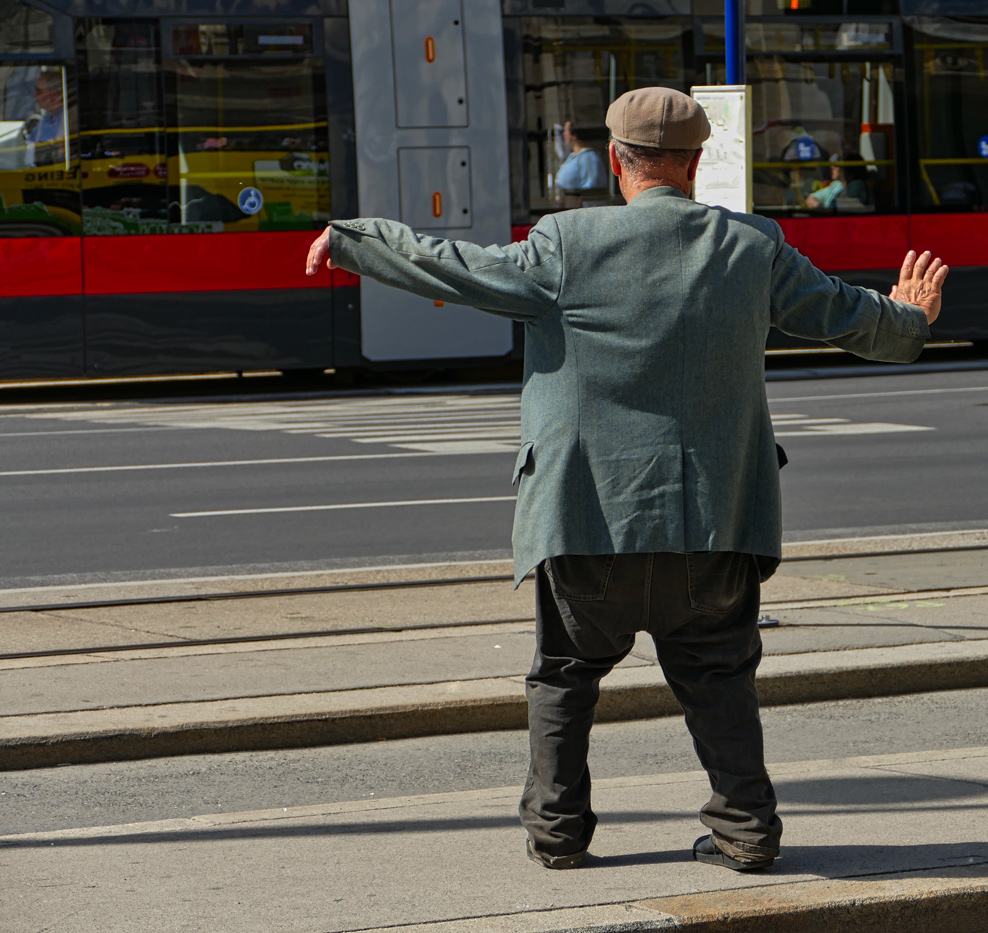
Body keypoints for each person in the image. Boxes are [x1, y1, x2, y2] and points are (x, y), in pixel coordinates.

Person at [304, 86, 948, 873]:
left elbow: (462, 269)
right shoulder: (752, 247)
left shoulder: (565, 244)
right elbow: (854, 319)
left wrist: (354, 240)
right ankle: (745, 828)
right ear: (697, 163)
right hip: (714, 523)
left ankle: (558, 831)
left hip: (587, 521)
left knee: (564, 678)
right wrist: (910, 316)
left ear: (615, 160)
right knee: (719, 678)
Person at [553, 119, 609, 193]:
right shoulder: (572, 156)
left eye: (566, 130)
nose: (563, 133)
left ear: (573, 136)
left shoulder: (588, 157)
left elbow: (592, 187)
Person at [804, 153, 873, 210]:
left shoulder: (857, 185)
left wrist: (823, 211)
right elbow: (811, 198)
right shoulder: (836, 185)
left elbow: (845, 208)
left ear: (848, 170)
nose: (833, 168)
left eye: (837, 166)